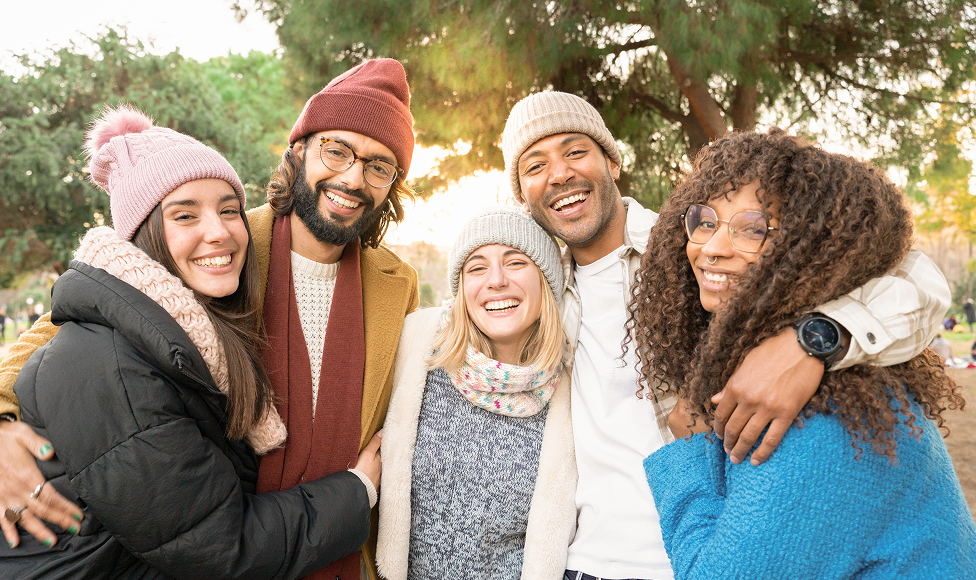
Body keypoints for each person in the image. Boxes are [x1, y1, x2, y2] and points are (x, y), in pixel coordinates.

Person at [499, 91, 951, 580]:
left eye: (574, 151)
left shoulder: (682, 248)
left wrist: (813, 340)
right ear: (522, 193)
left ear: (611, 161)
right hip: (584, 560)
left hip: (704, 546)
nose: (559, 173)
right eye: (533, 165)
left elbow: (915, 280)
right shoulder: (534, 288)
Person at [0, 58, 418, 580]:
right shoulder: (230, 245)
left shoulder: (396, 284)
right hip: (241, 534)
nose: (353, 177)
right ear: (299, 152)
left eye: (379, 166)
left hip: (339, 550)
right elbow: (71, 326)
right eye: (337, 150)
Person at [635, 128, 975, 578]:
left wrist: (690, 447)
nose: (712, 248)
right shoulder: (809, 381)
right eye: (705, 220)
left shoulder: (826, 422)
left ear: (817, 249)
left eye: (754, 229)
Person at [376, 207, 576, 580]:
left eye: (516, 263)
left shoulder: (571, 387)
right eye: (477, 267)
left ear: (546, 282)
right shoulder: (417, 347)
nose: (496, 281)